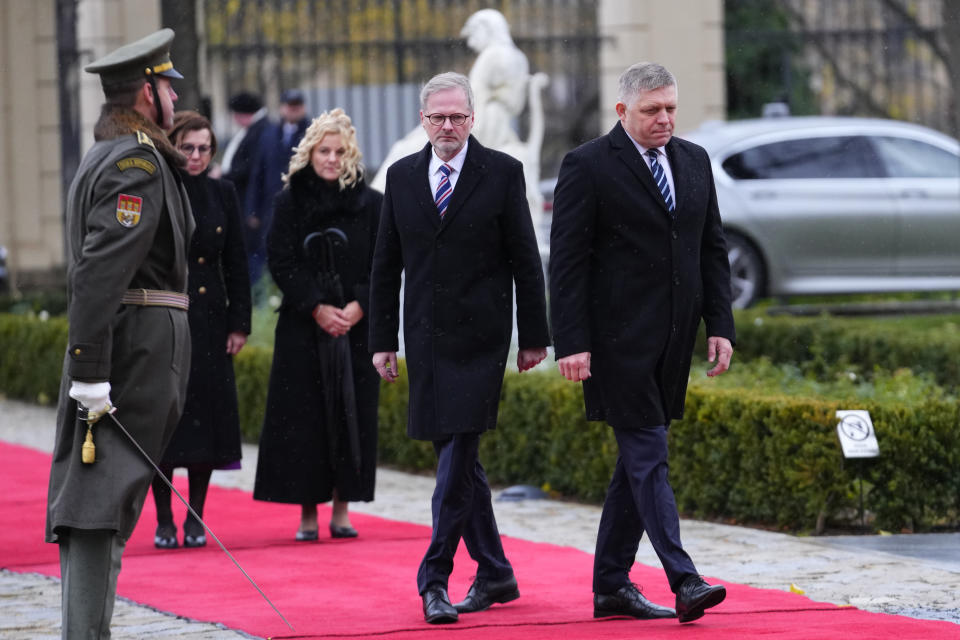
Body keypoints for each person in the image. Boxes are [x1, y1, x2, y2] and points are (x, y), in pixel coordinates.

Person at [548, 61, 736, 624]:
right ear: (622, 110)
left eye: (671, 108)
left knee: (635, 465)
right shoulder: (587, 166)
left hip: (673, 341)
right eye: (652, 110)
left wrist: (720, 325)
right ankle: (685, 578)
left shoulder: (694, 160)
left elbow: (711, 250)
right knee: (649, 455)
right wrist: (572, 342)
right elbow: (568, 264)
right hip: (614, 344)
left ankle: (610, 585)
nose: (665, 119)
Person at [369, 72, 549, 625]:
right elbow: (384, 266)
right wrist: (382, 341)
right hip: (424, 339)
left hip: (480, 341)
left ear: (473, 118)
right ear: (423, 120)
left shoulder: (502, 172)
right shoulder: (400, 177)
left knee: (456, 459)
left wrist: (535, 335)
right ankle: (495, 570)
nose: (448, 126)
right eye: (438, 117)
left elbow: (525, 258)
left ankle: (435, 578)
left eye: (458, 117)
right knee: (459, 463)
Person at [45, 28, 193, 639]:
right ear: (147, 92)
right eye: (167, 87)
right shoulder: (135, 160)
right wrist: (89, 370)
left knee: (103, 502)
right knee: (97, 504)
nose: (175, 100)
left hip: (129, 344)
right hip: (131, 348)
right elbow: (100, 274)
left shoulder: (114, 154)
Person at [253, 108, 381, 541]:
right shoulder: (289, 201)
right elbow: (281, 258)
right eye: (324, 150)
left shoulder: (371, 203)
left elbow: (385, 262)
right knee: (304, 420)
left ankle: (342, 508)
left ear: (350, 155)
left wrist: (360, 304)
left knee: (351, 413)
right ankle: (308, 513)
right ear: (310, 153)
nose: (331, 158)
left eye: (339, 151)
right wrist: (316, 307)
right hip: (302, 327)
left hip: (356, 327)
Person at [150, 111, 252, 549]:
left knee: (206, 419)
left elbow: (237, 262)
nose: (195, 156)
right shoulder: (158, 189)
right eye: (187, 147)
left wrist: (239, 323)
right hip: (167, 314)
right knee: (165, 420)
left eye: (204, 148)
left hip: (210, 317)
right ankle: (163, 519)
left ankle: (196, 515)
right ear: (174, 146)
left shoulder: (222, 192)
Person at [244, 89, 311, 284]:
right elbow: (258, 172)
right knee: (270, 251)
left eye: (297, 106)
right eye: (290, 106)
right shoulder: (270, 133)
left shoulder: (312, 132)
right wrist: (252, 208)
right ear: (282, 108)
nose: (293, 110)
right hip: (270, 205)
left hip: (302, 205)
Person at [220, 91, 269, 213]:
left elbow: (251, 165)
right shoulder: (255, 129)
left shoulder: (259, 130)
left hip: (248, 196)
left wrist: (225, 175)